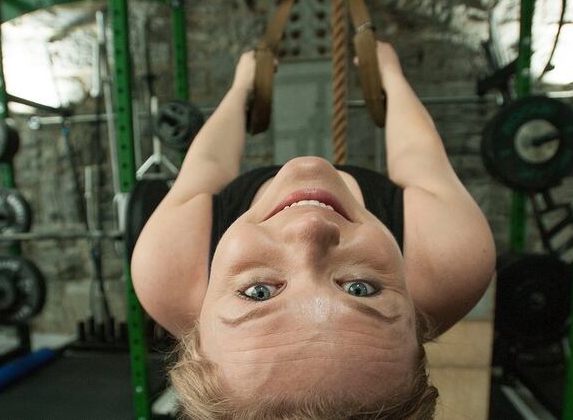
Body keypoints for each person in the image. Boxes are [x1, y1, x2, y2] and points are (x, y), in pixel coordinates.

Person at [132, 42, 495, 419]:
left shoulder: (167, 265)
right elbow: (418, 156)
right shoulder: (449, 259)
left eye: (258, 292)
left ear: (196, 339)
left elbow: (208, 162)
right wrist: (390, 75)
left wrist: (242, 88)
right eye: (360, 288)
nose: (311, 227)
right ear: (415, 331)